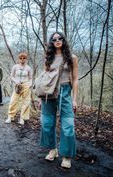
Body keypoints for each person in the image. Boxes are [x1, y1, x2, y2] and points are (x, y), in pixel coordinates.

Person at [39, 32, 78, 168]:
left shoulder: (72, 58)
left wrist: (75, 99)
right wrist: (40, 98)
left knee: (68, 125)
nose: (57, 40)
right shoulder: (48, 58)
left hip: (65, 91)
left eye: (60, 38)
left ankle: (66, 156)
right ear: (51, 42)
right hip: (49, 94)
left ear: (63, 40)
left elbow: (75, 78)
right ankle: (52, 149)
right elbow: (44, 77)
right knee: (47, 123)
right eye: (54, 39)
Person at [5, 52, 32, 125]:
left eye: (24, 58)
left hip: (26, 85)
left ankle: (22, 118)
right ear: (19, 59)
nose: (22, 59)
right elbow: (11, 76)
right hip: (17, 86)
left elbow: (30, 78)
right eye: (20, 58)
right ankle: (10, 117)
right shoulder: (15, 67)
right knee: (13, 101)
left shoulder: (28, 68)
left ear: (26, 59)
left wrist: (30, 84)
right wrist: (16, 81)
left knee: (26, 102)